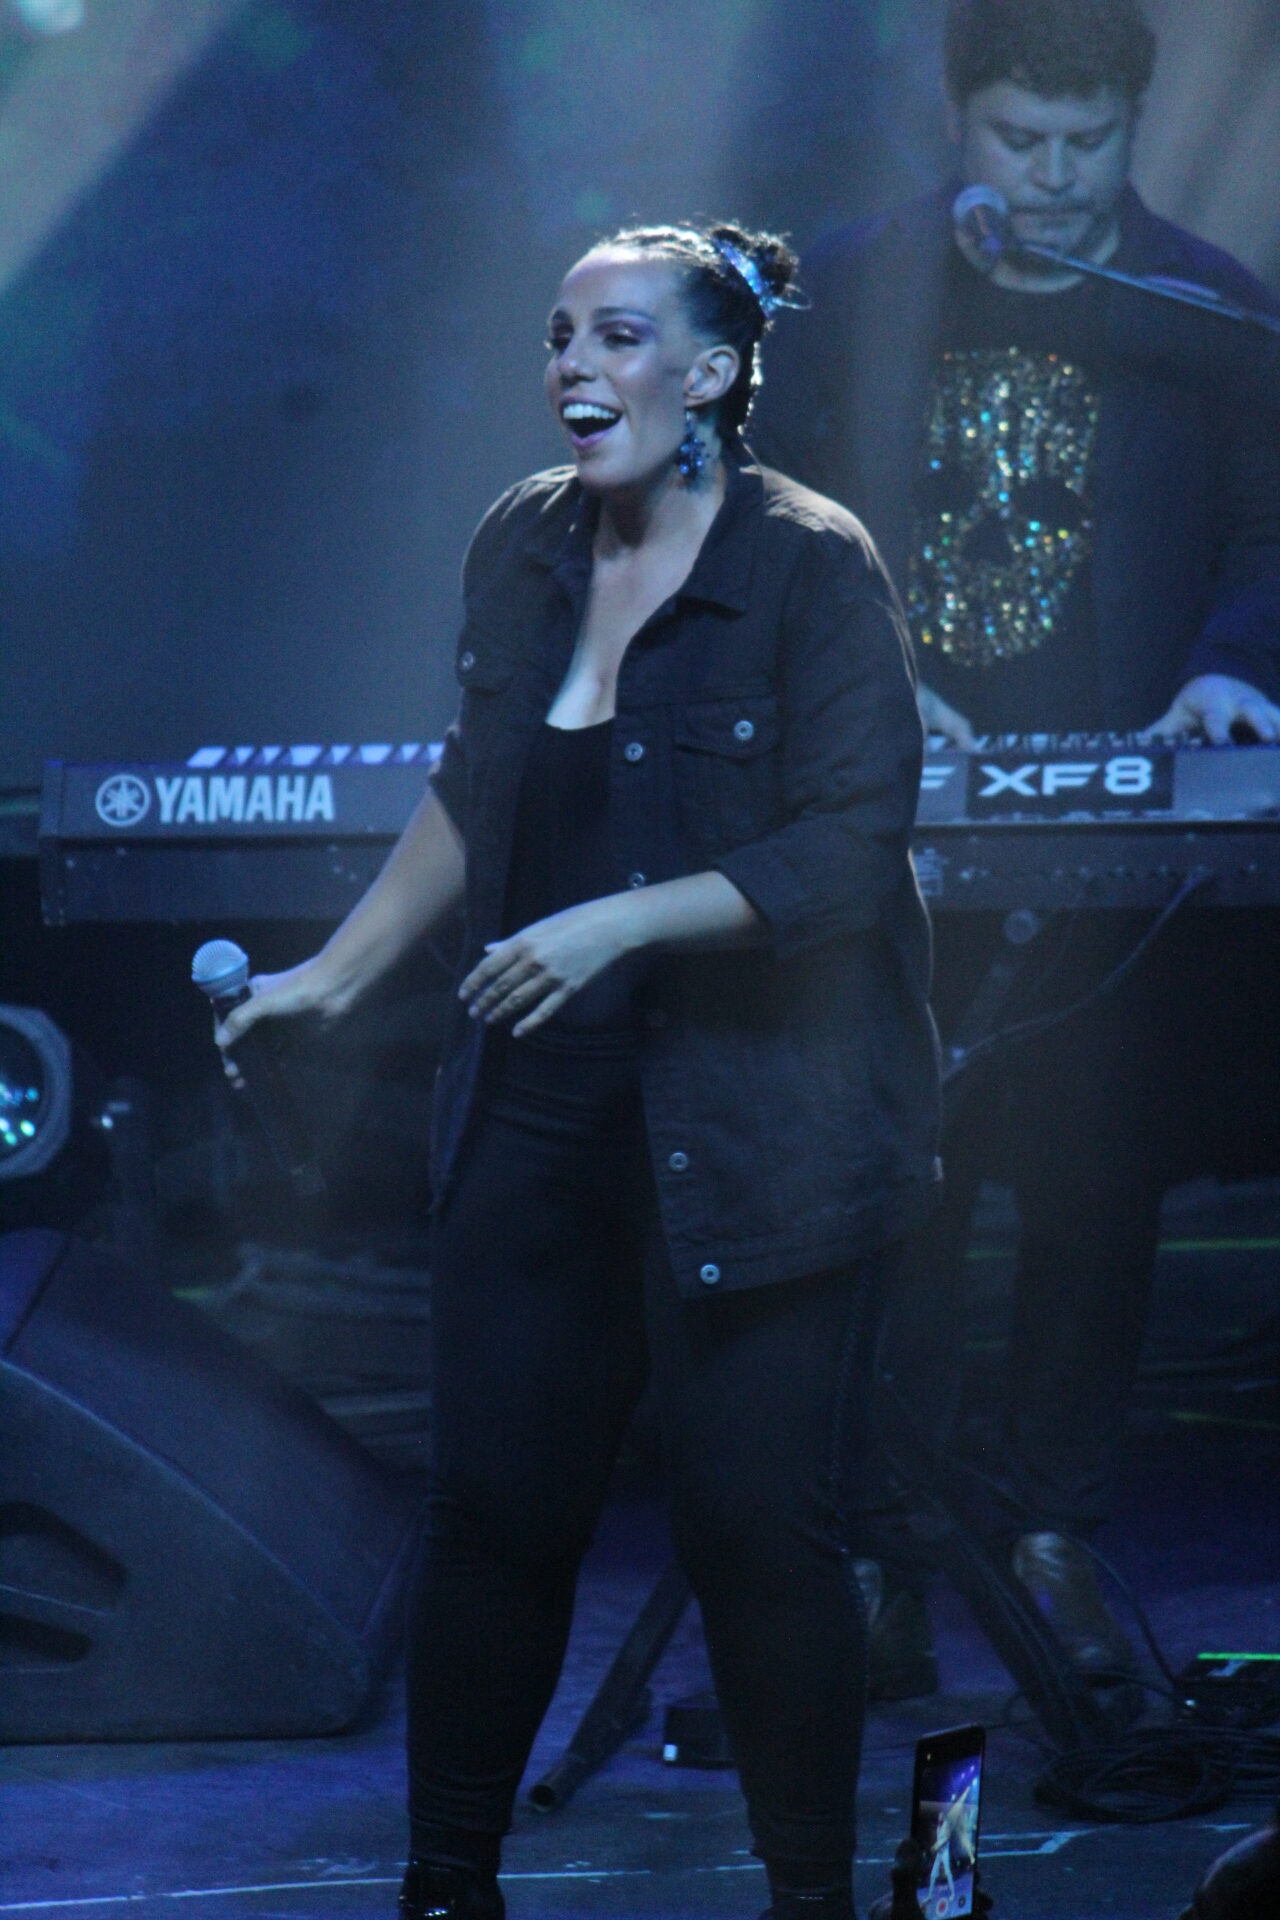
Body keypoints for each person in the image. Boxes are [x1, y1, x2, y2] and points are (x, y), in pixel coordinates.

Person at [218, 220, 940, 1920]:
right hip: (538, 1123)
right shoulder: (524, 544)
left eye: (616, 337)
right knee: (494, 1521)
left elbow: (848, 851)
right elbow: (474, 784)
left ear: (712, 373)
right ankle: (447, 1886)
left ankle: (810, 1898)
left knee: (758, 1532)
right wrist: (332, 974)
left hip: (757, 1131)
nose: (572, 367)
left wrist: (618, 923)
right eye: (559, 336)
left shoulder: (810, 565)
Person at [752, 0, 1280, 1703]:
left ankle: (1051, 1539)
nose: (1053, 177)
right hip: (906, 818)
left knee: (1092, 1187)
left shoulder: (1205, 306)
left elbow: (1273, 530)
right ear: (958, 121)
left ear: (1133, 125)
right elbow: (758, 512)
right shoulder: (854, 290)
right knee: (899, 1188)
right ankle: (887, 1560)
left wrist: (1233, 667)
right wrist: (870, 679)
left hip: (1118, 825)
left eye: (1087, 143)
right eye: (1019, 139)